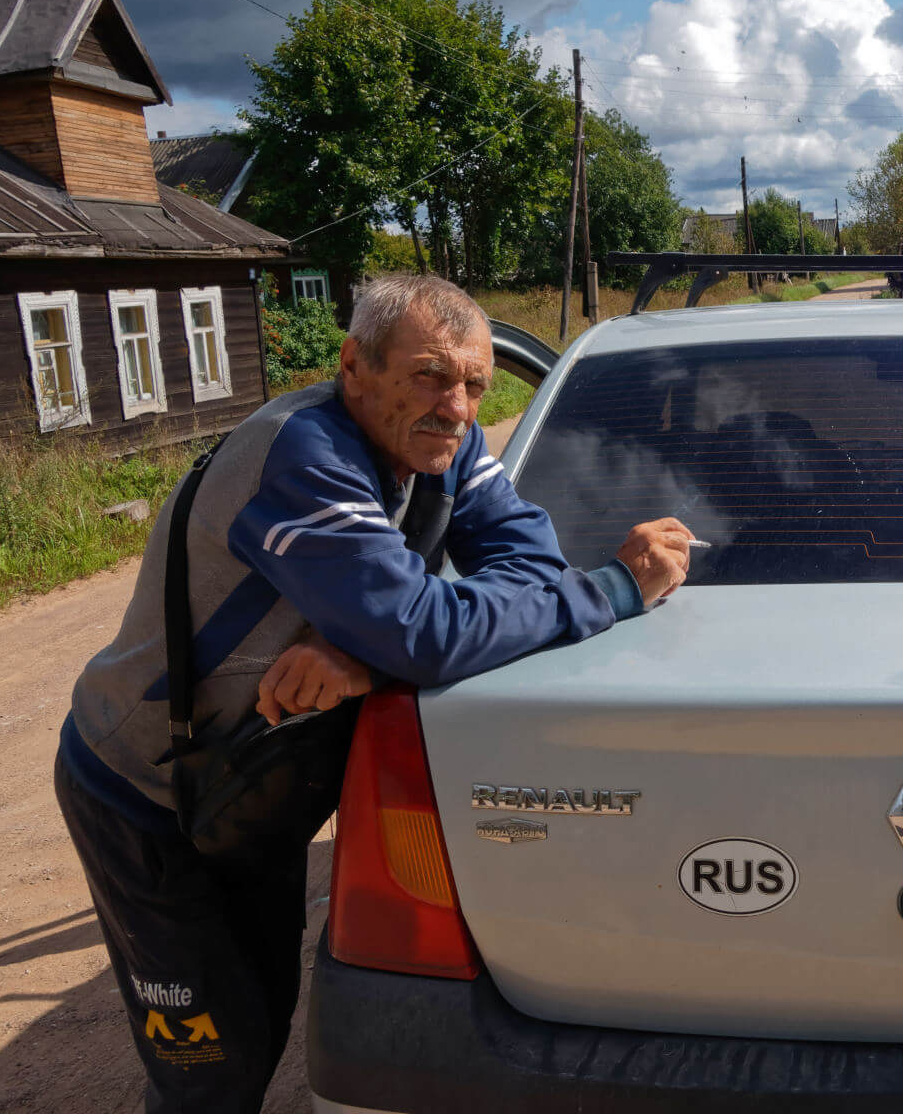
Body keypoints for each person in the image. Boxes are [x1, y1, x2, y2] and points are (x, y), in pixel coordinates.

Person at [55, 274, 692, 1112]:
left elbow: (524, 566)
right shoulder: (302, 455)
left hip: (247, 782)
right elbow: (427, 633)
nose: (458, 406)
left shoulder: (447, 444)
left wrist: (366, 654)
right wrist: (610, 589)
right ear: (354, 365)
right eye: (430, 374)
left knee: (262, 1011)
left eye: (475, 383)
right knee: (207, 1066)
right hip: (147, 792)